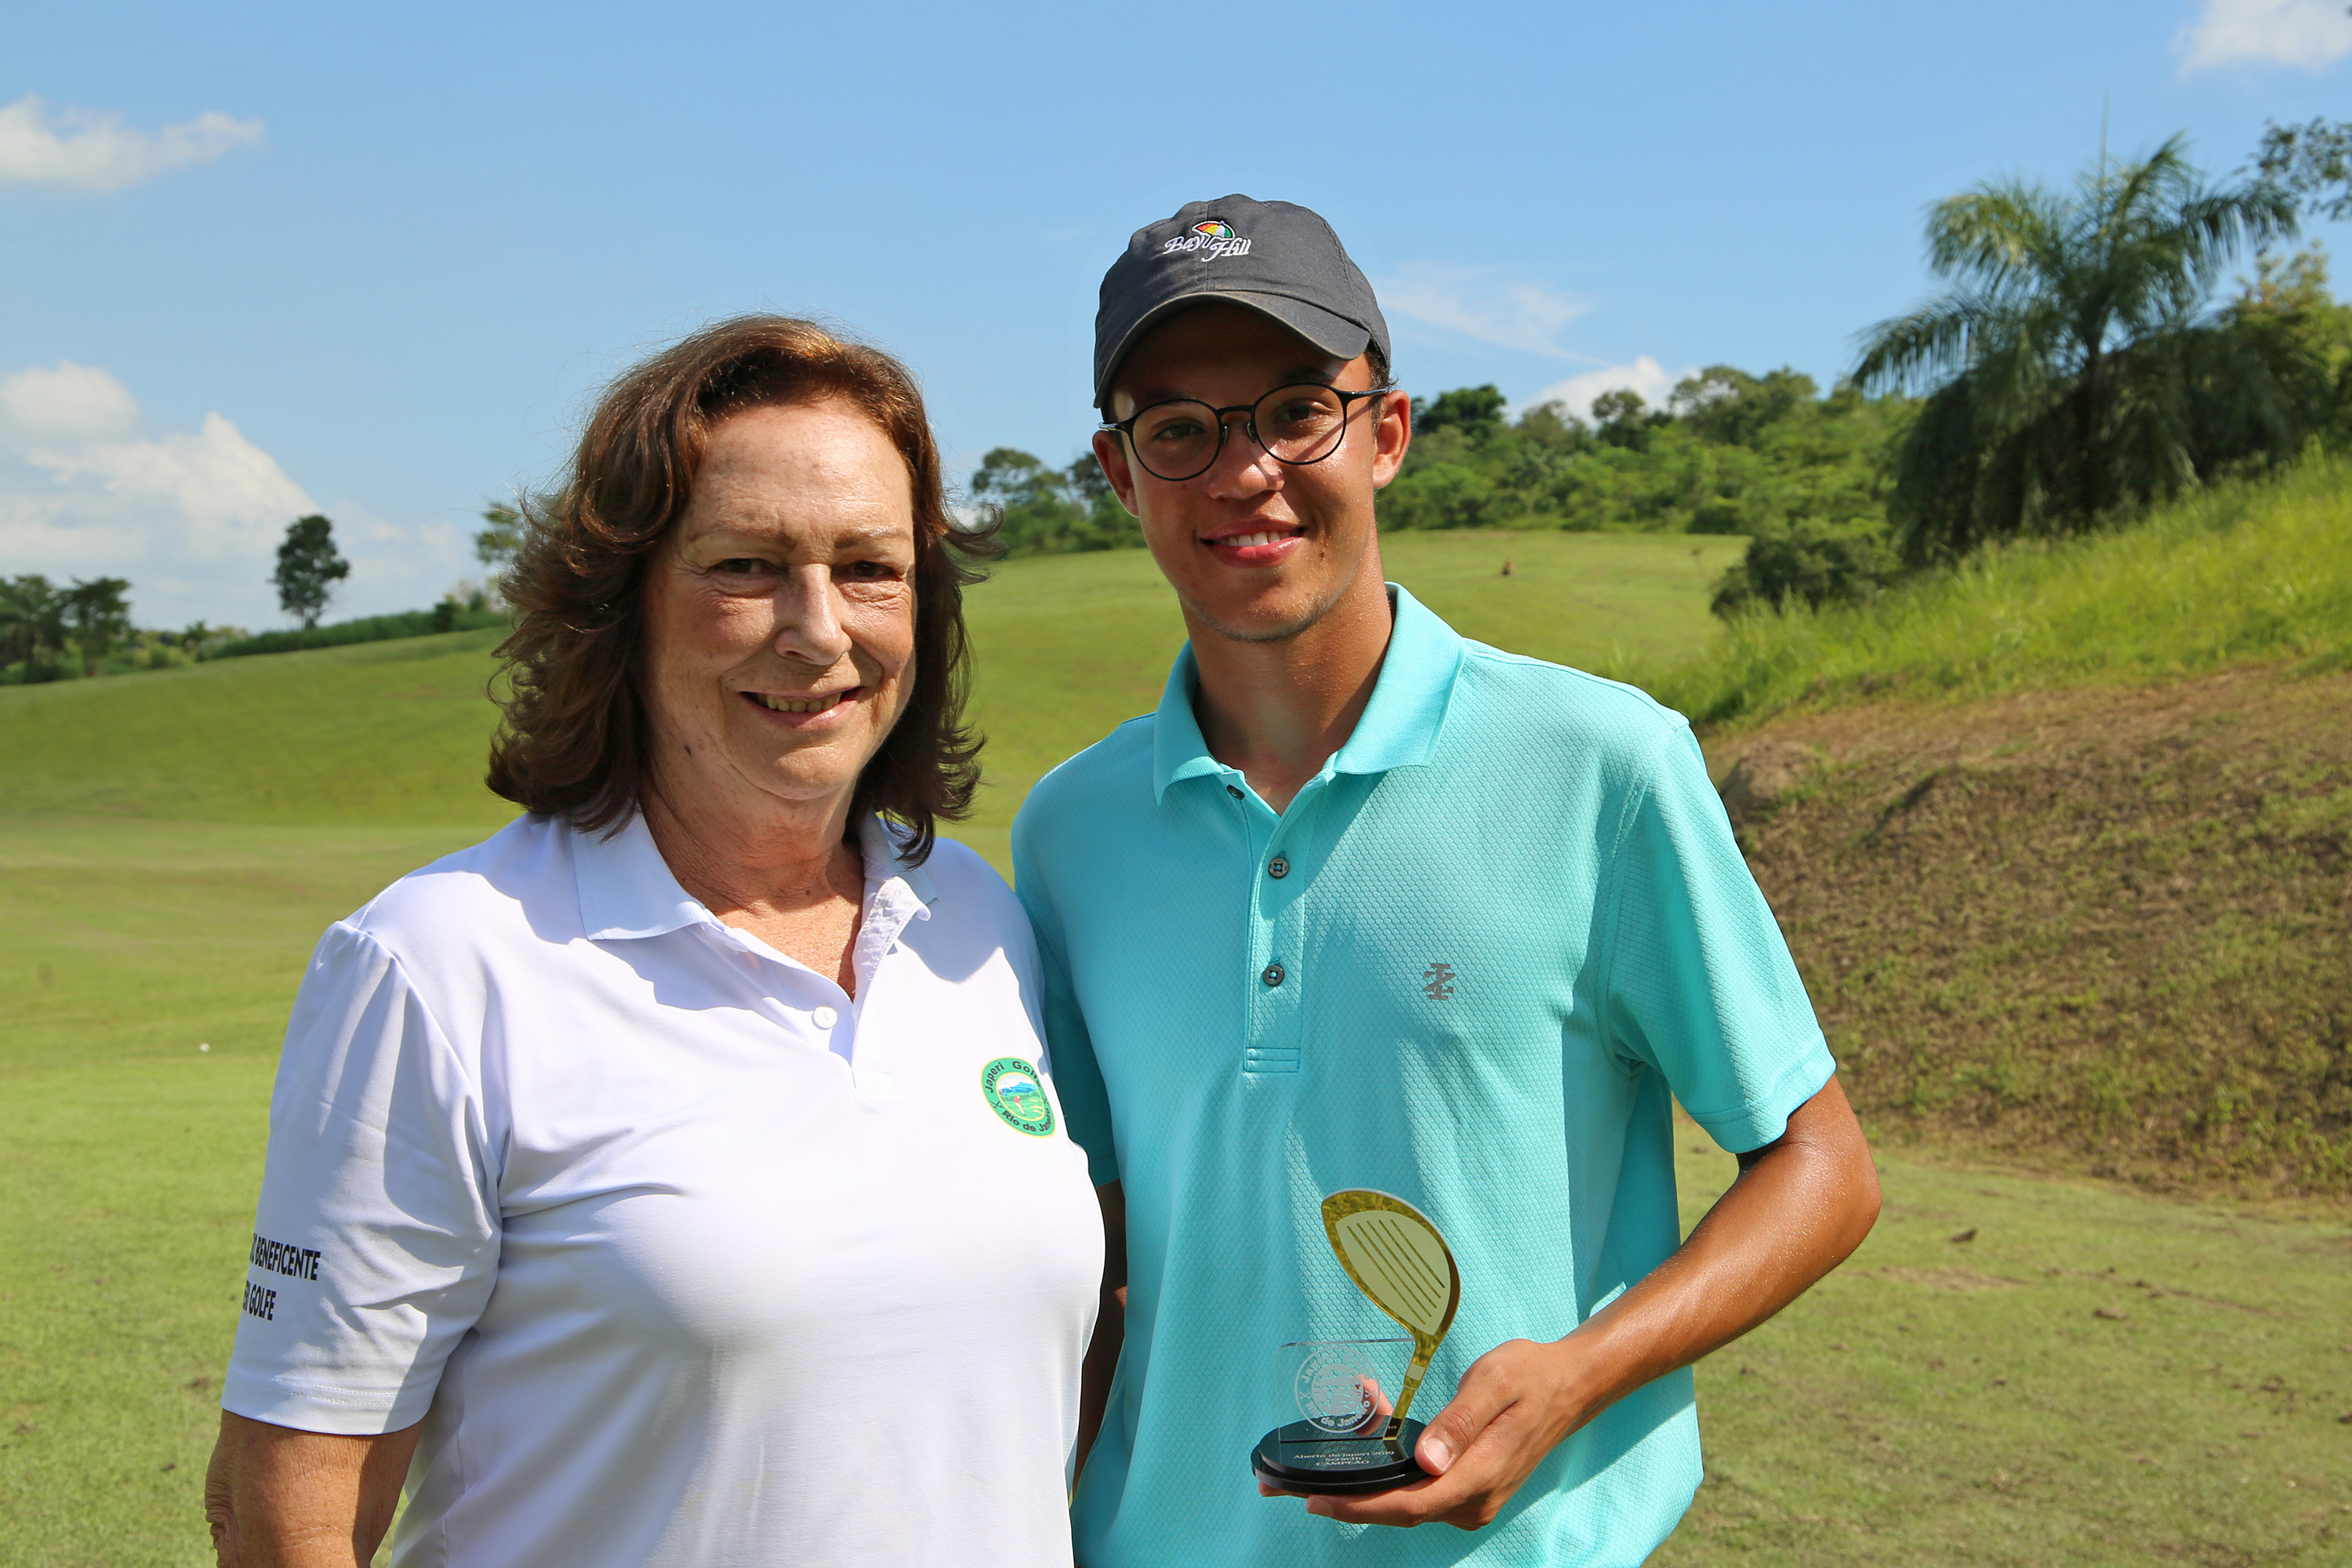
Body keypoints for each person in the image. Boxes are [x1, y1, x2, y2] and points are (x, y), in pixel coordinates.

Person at [1012, 197, 1882, 1566]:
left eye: (1298, 409)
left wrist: (1582, 1373)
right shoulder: (1069, 835)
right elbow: (1098, 1261)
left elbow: (1822, 1166)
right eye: (1179, 429)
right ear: (1122, 477)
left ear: (1389, 432)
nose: (1245, 473)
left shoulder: (1604, 765)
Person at [205, 317, 1102, 1568]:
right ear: (623, 604)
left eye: (869, 568)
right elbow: (290, 1508)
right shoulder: (441, 963)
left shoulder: (979, 921)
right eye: (745, 567)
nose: (818, 629)